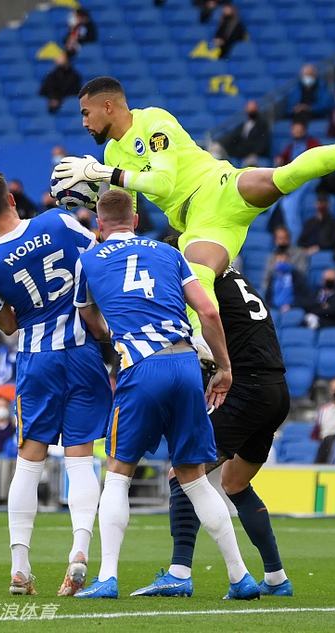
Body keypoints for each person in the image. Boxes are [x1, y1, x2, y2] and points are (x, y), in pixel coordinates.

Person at [56, 76, 335, 354]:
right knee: (197, 273)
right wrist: (95, 202)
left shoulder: (152, 121)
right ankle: (201, 350)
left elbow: (165, 184)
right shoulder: (110, 158)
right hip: (204, 224)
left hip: (221, 184)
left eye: (86, 113)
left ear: (109, 106)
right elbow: (130, 218)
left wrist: (106, 175)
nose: (84, 122)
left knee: (287, 174)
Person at [70, 190, 258, 600]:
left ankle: (107, 578)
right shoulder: (170, 253)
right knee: (195, 478)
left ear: (100, 225)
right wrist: (225, 368)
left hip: (140, 366)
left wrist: (115, 327)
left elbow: (93, 323)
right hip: (185, 364)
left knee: (118, 474)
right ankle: (240, 576)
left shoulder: (87, 261)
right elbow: (208, 312)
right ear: (136, 220)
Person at [0, 171, 112, 597]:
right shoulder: (58, 221)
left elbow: (9, 326)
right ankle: (80, 554)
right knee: (81, 459)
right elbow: (101, 259)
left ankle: (19, 568)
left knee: (29, 462)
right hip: (84, 350)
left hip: (37, 360)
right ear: (13, 199)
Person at [151, 238, 293, 598]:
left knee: (183, 471)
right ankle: (276, 578)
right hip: (276, 389)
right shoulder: (232, 277)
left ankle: (179, 573)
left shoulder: (199, 282)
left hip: (248, 387)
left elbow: (202, 342)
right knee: (234, 483)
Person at [221, 100, 271, 166]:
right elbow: (234, 137)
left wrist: (256, 153)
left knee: (250, 162)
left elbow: (263, 141)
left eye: (253, 109)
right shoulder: (243, 125)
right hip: (241, 152)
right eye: (249, 109)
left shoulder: (262, 125)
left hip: (254, 153)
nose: (251, 111)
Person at [261, 226, 308, 293]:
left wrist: (288, 267)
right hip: (275, 293)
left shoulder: (299, 254)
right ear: (275, 240)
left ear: (289, 239)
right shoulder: (271, 257)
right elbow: (266, 280)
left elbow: (302, 276)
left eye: (285, 238)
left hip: (295, 292)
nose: (282, 241)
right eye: (280, 238)